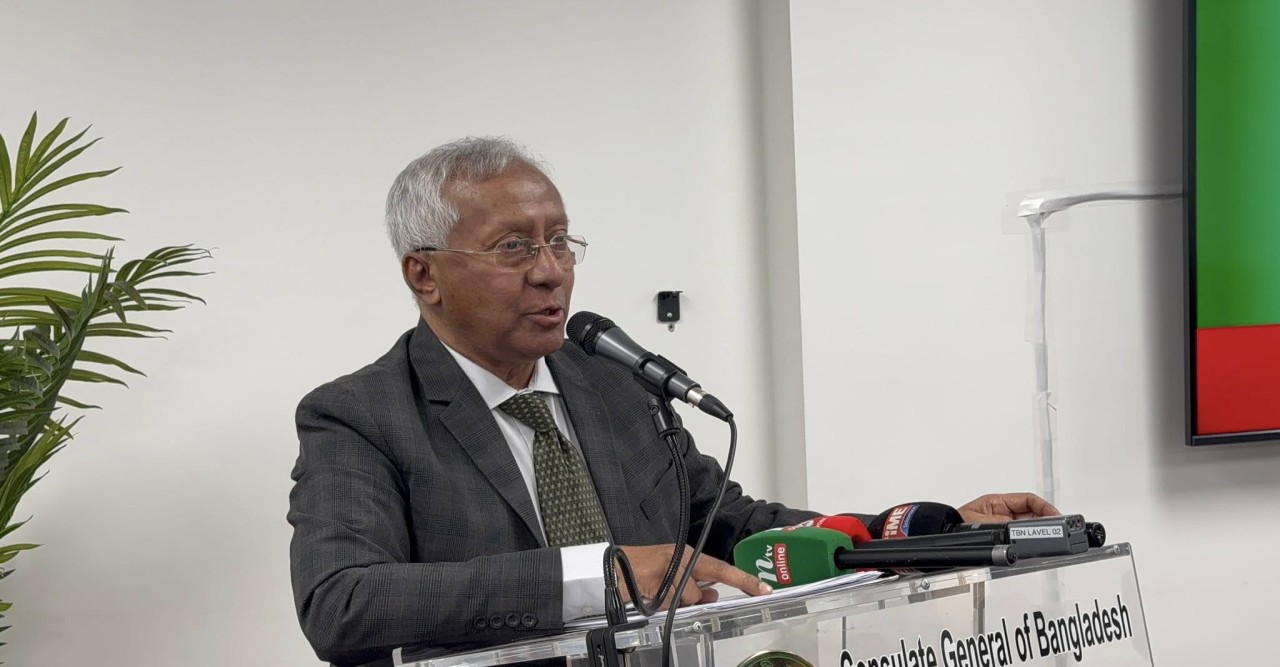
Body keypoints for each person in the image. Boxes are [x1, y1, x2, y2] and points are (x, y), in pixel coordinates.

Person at [287, 137, 1059, 667]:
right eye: (513, 247)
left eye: (560, 241)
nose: (551, 270)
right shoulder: (360, 415)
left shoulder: (614, 384)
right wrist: (601, 573)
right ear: (423, 274)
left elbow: (735, 526)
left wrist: (919, 532)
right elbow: (341, 602)